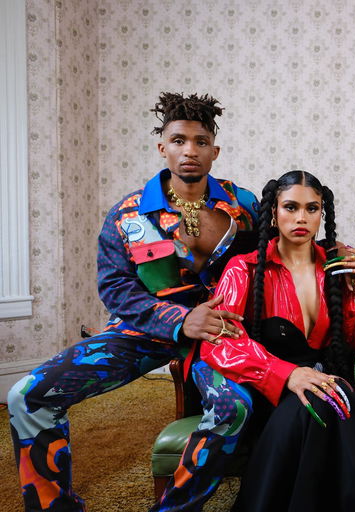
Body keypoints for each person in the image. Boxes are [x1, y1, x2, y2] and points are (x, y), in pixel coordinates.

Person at [7, 92, 261, 512]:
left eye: (200, 142)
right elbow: (116, 288)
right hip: (144, 331)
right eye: (179, 140)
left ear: (215, 151)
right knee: (25, 396)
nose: (189, 151)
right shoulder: (127, 215)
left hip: (222, 334)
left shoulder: (245, 206)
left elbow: (281, 251)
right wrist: (180, 320)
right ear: (162, 147)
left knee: (234, 407)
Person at [198, 170, 355, 511]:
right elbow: (220, 342)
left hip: (329, 380)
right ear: (274, 213)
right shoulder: (244, 268)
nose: (301, 218)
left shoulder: (335, 269)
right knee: (315, 409)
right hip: (273, 388)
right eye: (291, 207)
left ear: (322, 213)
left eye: (312, 208)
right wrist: (288, 375)